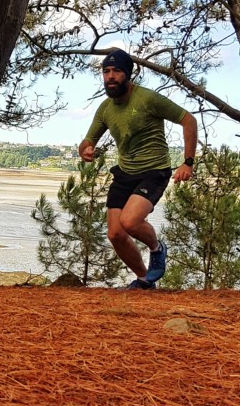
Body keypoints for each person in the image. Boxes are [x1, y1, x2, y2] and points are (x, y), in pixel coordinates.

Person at [78, 49, 197, 289]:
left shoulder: (147, 99)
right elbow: (87, 140)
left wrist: (188, 162)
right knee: (115, 234)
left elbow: (188, 119)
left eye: (117, 71)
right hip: (125, 172)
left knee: (130, 222)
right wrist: (86, 149)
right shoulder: (105, 109)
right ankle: (144, 280)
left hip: (154, 171)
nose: (111, 76)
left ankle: (157, 248)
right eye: (106, 71)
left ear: (128, 74)